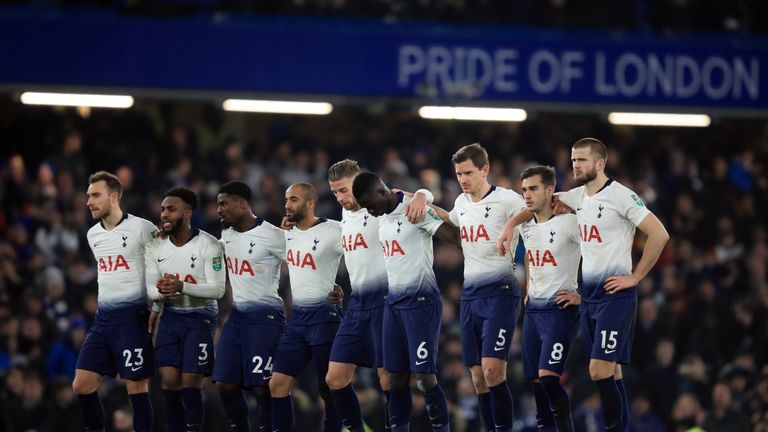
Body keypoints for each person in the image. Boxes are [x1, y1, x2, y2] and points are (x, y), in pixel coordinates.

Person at [499, 138, 670, 432]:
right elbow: (538, 204)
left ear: (600, 164)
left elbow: (659, 234)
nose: (575, 165)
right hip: (590, 298)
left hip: (615, 296)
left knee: (598, 371)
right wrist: (510, 225)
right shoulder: (577, 196)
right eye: (573, 159)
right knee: (612, 373)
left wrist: (636, 277)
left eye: (582, 160)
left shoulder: (621, 196)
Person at [407, 143, 525, 432]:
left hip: (500, 291)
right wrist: (421, 198)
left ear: (485, 169)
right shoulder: (462, 202)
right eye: (459, 174)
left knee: (493, 369)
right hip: (471, 295)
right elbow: (450, 219)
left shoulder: (507, 200)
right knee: (477, 376)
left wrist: (511, 226)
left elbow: (534, 210)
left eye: (469, 172)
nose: (463, 179)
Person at [325, 159, 434, 432]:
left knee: (389, 380)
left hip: (385, 302)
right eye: (334, 192)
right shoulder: (345, 216)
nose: (340, 198)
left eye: (344, 190)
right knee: (335, 379)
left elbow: (418, 198)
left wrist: (422, 194)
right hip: (356, 304)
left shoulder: (380, 207)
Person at [353, 171, 460, 432]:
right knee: (395, 378)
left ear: (381, 191)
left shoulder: (414, 210)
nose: (370, 211)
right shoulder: (381, 215)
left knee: (424, 377)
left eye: (370, 205)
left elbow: (455, 237)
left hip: (422, 303)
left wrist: (425, 198)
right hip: (394, 304)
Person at [73, 171, 157, 432]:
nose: (89, 202)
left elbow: (160, 266)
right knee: (82, 384)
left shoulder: (144, 228)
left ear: (114, 196)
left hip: (133, 319)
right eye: (88, 196)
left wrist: (157, 307)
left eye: (95, 195)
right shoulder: (92, 235)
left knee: (136, 385)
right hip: (103, 320)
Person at [144, 186, 226, 432]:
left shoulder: (209, 245)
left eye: (171, 209)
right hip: (171, 317)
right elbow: (151, 289)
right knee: (169, 382)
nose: (165, 214)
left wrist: (182, 286)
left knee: (191, 381)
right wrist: (161, 294)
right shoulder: (154, 247)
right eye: (162, 209)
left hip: (201, 317)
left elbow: (218, 290)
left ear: (187, 213)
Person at [270, 182, 345, 432]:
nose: (287, 205)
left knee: (328, 388)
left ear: (310, 203)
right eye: (286, 200)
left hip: (325, 318)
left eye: (293, 200)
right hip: (297, 322)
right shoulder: (287, 233)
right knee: (277, 384)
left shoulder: (334, 230)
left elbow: (360, 257)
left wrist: (343, 289)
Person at [213, 180, 287, 432]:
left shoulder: (273, 235)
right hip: (237, 317)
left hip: (266, 317)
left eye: (223, 204)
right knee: (224, 383)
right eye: (217, 205)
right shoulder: (227, 234)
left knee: (262, 386)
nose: (219, 210)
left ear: (242, 204)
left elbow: (301, 262)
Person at [518, 166, 581, 432]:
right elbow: (529, 256)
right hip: (533, 311)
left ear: (549, 190)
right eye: (524, 190)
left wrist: (582, 295)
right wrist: (528, 290)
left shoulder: (570, 223)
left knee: (549, 378)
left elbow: (598, 254)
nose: (527, 195)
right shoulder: (526, 226)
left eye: (533, 189)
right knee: (535, 381)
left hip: (559, 310)